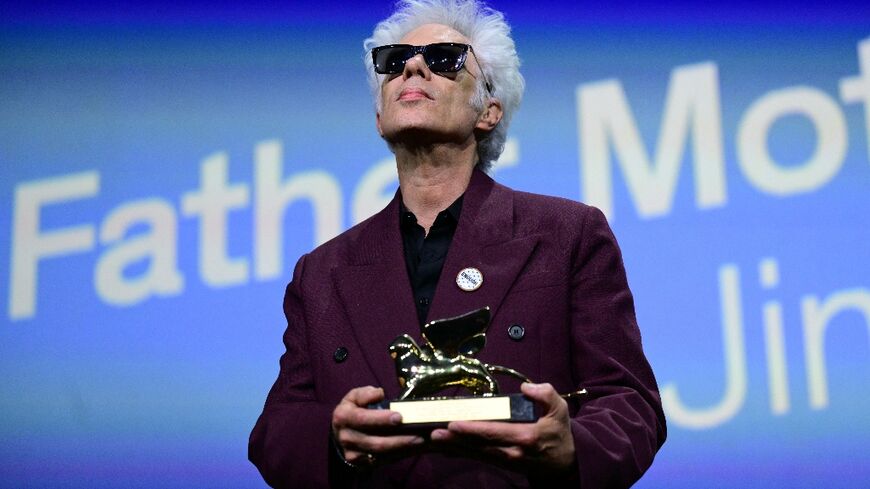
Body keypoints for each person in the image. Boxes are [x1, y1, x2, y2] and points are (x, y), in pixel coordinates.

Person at [249, 1, 666, 487]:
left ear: (488, 110)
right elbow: (275, 429)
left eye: (445, 57)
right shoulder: (320, 273)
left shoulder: (568, 235)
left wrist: (574, 444)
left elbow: (630, 403)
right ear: (379, 118)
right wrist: (332, 438)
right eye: (394, 60)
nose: (412, 65)